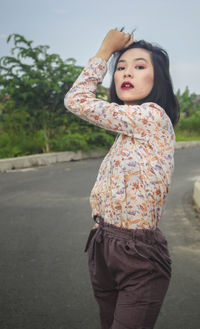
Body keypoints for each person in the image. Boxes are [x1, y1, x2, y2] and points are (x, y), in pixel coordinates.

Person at [64, 29, 180, 329]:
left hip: (137, 253)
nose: (127, 71)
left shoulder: (152, 117)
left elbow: (76, 100)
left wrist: (106, 50)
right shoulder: (127, 130)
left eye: (140, 66)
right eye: (121, 67)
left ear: (158, 80)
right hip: (104, 244)